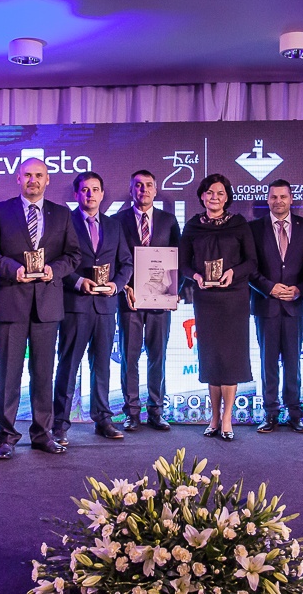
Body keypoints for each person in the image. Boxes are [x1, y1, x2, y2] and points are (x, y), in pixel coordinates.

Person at [0, 157, 81, 459]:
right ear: (18, 179)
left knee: (44, 374)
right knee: (8, 374)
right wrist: (13, 269)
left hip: (47, 305)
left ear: (48, 179)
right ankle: (7, 437)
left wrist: (53, 270)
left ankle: (42, 434)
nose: (33, 180)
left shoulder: (62, 214)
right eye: (27, 175)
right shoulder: (0, 211)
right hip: (11, 302)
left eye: (38, 175)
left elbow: (74, 255)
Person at [52, 172, 133, 443]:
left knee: (102, 366)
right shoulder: (65, 223)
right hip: (75, 305)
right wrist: (77, 281)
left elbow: (126, 263)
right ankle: (60, 424)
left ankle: (103, 419)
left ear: (102, 194)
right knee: (68, 365)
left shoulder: (114, 226)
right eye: (85, 190)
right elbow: (58, 262)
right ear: (77, 194)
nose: (90, 194)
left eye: (95, 189)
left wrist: (116, 285)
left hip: (106, 307)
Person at [180, 174, 258, 441]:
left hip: (234, 299)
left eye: (220, 193)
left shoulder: (239, 224)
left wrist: (233, 273)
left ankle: (227, 419)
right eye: (210, 192)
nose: (215, 197)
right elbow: (183, 263)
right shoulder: (192, 226)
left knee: (231, 359)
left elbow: (252, 262)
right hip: (206, 300)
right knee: (211, 358)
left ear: (227, 197)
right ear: (202, 196)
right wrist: (196, 276)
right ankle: (213, 417)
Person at [113, 170, 181, 431]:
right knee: (129, 358)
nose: (143, 190)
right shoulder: (118, 220)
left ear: (155, 189)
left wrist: (174, 291)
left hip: (161, 301)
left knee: (157, 356)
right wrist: (124, 287)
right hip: (129, 300)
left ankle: (156, 410)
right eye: (138, 186)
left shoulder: (168, 220)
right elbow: (114, 259)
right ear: (132, 190)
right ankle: (131, 412)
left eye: (148, 185)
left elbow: (179, 258)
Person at [249, 179, 303, 434]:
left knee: (293, 362)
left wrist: (300, 289)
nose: (278, 201)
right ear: (268, 200)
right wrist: (269, 287)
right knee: (268, 363)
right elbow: (250, 268)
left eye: (283, 197)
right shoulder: (254, 228)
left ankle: (295, 413)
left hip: (294, 305)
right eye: (274, 197)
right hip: (266, 304)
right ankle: (270, 413)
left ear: (291, 199)